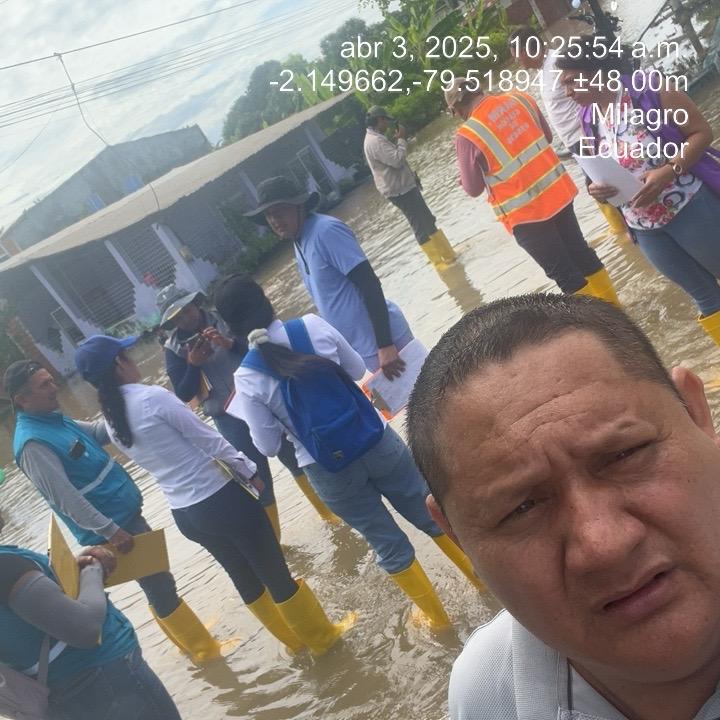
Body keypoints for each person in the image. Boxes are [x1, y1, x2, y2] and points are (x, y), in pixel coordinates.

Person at [407, 293, 720, 719]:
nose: (604, 545)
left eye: (624, 455)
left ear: (697, 413)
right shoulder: (491, 694)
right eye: (521, 508)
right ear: (456, 535)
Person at [213, 273, 484, 630]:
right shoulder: (312, 326)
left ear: (229, 326)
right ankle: (486, 586)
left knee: (387, 544)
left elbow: (267, 445)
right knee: (430, 511)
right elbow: (358, 370)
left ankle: (439, 622)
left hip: (328, 469)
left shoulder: (247, 378)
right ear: (266, 300)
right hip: (375, 439)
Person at [74, 335, 354, 656]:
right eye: (127, 354)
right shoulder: (152, 398)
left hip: (185, 513)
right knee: (274, 570)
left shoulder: (111, 420)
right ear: (118, 363)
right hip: (219, 499)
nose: (133, 360)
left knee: (244, 577)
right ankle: (324, 640)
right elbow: (208, 438)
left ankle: (295, 645)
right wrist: (250, 471)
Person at [3, 359, 219, 665]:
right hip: (114, 528)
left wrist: (134, 410)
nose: (55, 387)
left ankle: (191, 645)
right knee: (159, 583)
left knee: (157, 580)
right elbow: (66, 500)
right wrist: (110, 531)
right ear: (22, 399)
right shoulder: (32, 444)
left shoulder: (52, 420)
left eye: (51, 380)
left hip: (123, 517)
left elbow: (97, 431)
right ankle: (205, 653)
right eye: (44, 385)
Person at [556, 35, 720, 347]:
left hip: (689, 207)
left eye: (571, 81)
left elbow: (701, 133)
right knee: (706, 299)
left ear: (596, 72)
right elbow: (596, 167)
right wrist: (595, 189)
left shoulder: (651, 89)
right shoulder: (588, 118)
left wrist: (668, 171)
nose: (567, 92)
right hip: (645, 228)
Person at [157, 284, 338, 534]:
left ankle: (330, 518)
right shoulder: (173, 349)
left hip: (262, 399)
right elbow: (184, 393)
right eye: (177, 318)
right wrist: (193, 364)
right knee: (254, 477)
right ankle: (275, 542)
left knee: (294, 457)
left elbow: (265, 348)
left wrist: (229, 344)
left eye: (186, 310)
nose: (185, 319)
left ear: (195, 304)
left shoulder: (225, 318)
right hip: (228, 416)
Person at [446, 75, 619, 304]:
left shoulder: (467, 134)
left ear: (457, 109)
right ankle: (616, 309)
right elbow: (546, 137)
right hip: (558, 193)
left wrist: (464, 178)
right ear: (479, 90)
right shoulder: (521, 98)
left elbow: (473, 188)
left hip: (526, 215)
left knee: (564, 273)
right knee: (581, 252)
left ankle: (602, 323)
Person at [0, 514, 181, 720]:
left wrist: (72, 572)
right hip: (102, 680)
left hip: (62, 693)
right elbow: (85, 629)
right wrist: (93, 569)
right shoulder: (5, 567)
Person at [244, 175, 411, 379]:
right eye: (269, 215)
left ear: (299, 206)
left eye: (279, 212)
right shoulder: (299, 241)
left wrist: (385, 344)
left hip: (386, 344)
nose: (274, 220)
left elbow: (369, 284)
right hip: (363, 349)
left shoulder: (326, 231)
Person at [508, 26, 630, 240]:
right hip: (574, 141)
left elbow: (591, 90)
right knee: (597, 186)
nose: (518, 62)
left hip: (585, 135)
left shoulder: (558, 63)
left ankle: (625, 229)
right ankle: (622, 227)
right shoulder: (544, 70)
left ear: (528, 51)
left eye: (518, 57)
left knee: (601, 185)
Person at [363, 105, 456, 271]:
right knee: (420, 225)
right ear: (379, 120)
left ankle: (449, 257)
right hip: (400, 190)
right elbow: (397, 161)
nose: (387, 125)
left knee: (427, 219)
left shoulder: (374, 139)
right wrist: (401, 139)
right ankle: (441, 265)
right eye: (385, 121)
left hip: (402, 187)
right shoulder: (375, 141)